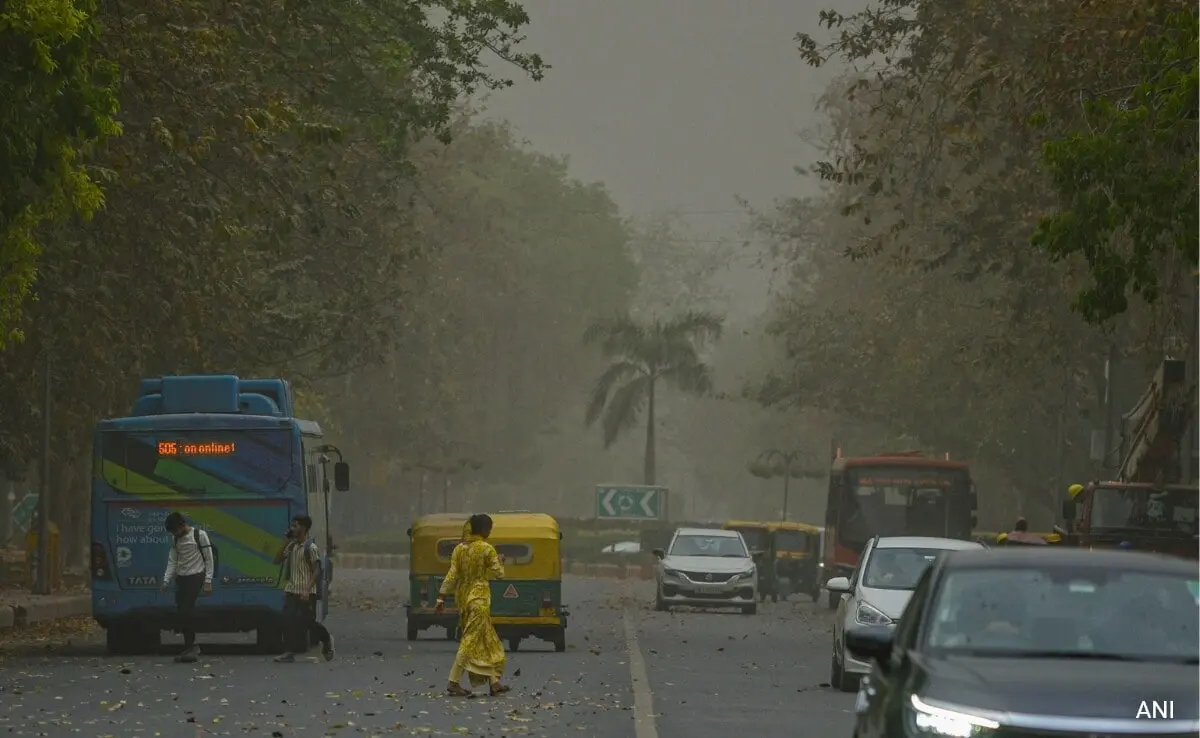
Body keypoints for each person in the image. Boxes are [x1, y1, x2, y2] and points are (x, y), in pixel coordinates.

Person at [436, 513, 510, 696]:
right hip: (480, 600)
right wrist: (501, 563)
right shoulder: (487, 549)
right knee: (469, 640)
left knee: (486, 640)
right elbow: (499, 575)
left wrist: (441, 597)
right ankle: (453, 681)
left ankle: (494, 683)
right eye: (490, 529)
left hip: (463, 600)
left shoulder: (459, 549)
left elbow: (452, 574)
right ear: (485, 530)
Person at [272, 515, 334, 663]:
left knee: (307, 623)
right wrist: (285, 543)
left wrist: (307, 589)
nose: (292, 529)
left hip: (306, 592)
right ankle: (289, 653)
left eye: (295, 526)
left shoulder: (311, 548)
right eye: (292, 526)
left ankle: (326, 640)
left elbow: (316, 571)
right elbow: (277, 560)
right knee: (288, 620)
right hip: (291, 590)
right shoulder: (292, 546)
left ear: (304, 528)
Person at [160, 512, 214, 663]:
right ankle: (188, 647)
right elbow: (173, 561)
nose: (175, 534)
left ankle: (193, 646)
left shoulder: (199, 535)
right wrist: (166, 580)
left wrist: (208, 580)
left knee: (186, 610)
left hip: (196, 576)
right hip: (181, 578)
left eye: (175, 530)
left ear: (182, 525)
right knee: (181, 613)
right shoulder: (175, 539)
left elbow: (209, 558)